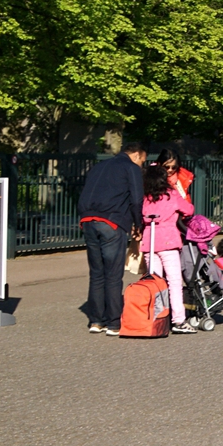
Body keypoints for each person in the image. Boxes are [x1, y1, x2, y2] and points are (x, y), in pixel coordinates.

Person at [77, 140, 147, 334]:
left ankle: (96, 321)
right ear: (136, 155)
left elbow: (85, 192)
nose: (141, 165)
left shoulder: (99, 167)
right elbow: (136, 199)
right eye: (142, 161)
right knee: (113, 274)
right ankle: (114, 323)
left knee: (97, 273)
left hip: (88, 220)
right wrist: (138, 224)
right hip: (112, 222)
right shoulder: (130, 168)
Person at [138, 162, 196, 335]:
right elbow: (189, 209)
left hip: (150, 242)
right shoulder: (171, 195)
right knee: (174, 282)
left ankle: (156, 316)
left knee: (154, 282)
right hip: (169, 242)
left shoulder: (145, 198)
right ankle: (178, 320)